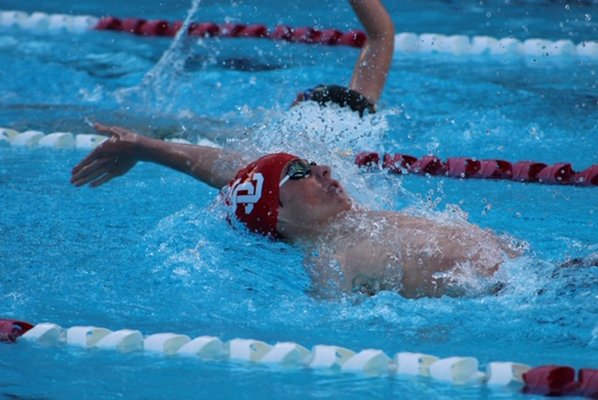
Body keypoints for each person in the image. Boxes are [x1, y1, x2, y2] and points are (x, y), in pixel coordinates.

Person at [71, 123, 520, 299]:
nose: (323, 168)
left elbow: (233, 173)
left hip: (538, 273)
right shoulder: (334, 262)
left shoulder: (358, 214)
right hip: (522, 299)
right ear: (279, 215)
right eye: (301, 171)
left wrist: (147, 148)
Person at [292, 0, 395, 117]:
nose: (299, 95)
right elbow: (382, 35)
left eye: (307, 96)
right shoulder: (362, 114)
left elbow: (381, 35)